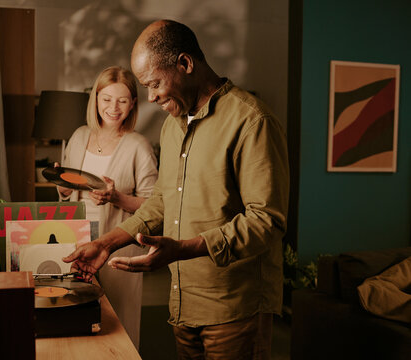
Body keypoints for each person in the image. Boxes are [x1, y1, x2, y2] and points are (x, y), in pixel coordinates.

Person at [63, 20, 290, 359]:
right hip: (184, 304)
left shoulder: (251, 121)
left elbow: (265, 222)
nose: (151, 97)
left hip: (236, 309)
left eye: (154, 83)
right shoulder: (172, 127)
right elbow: (162, 202)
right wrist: (105, 244)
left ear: (185, 64)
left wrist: (183, 248)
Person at [56, 65, 158, 349]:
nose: (114, 108)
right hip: (75, 243)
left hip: (118, 249)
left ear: (133, 104)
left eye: (123, 100)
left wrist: (116, 197)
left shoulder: (139, 145)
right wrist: (61, 184)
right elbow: (67, 192)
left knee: (118, 325)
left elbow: (153, 205)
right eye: (107, 99)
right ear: (96, 99)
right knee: (75, 319)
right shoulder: (78, 136)